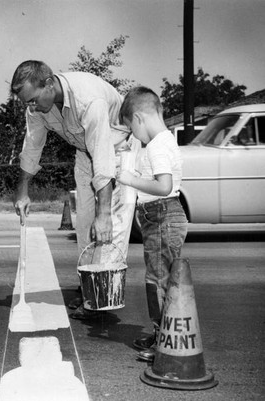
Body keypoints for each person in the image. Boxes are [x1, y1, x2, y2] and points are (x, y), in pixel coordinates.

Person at [10, 60, 140, 319]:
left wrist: (104, 213)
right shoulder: (36, 107)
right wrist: (23, 191)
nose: (31, 106)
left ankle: (104, 300)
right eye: (26, 102)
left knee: (110, 228)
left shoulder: (88, 99)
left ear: (48, 84)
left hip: (117, 150)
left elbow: (103, 156)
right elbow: (32, 146)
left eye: (33, 99)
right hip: (84, 152)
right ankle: (90, 288)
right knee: (84, 227)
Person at [117, 86, 188, 362]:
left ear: (138, 119)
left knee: (157, 281)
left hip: (161, 215)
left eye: (131, 129)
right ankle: (163, 333)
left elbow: (164, 185)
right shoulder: (165, 140)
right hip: (163, 215)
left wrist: (130, 179)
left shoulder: (157, 145)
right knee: (163, 279)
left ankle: (163, 341)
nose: (133, 135)